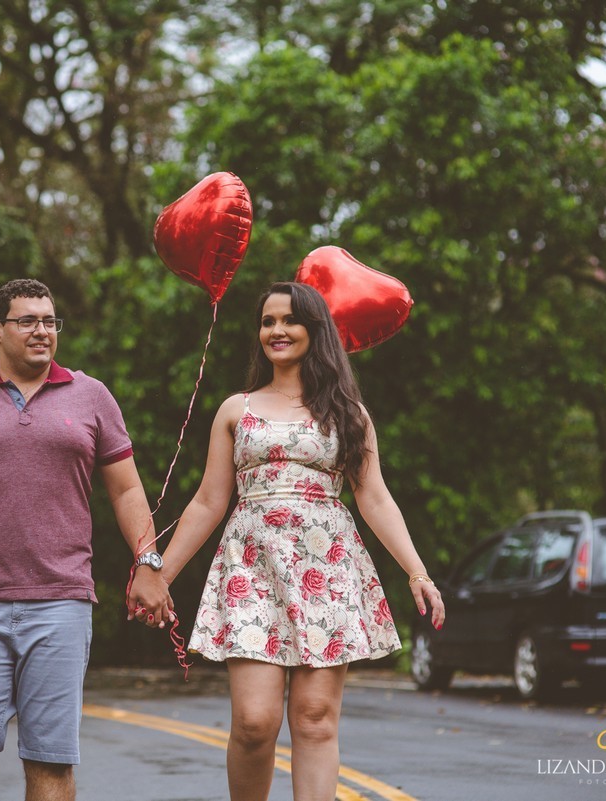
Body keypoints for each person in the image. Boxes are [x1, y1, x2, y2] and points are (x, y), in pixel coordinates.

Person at [128, 280, 444, 801]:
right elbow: (208, 502)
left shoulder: (349, 413)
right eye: (267, 321)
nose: (276, 330)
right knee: (254, 723)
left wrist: (418, 573)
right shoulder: (237, 409)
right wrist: (160, 574)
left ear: (315, 330)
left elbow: (375, 499)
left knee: (315, 721)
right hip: (252, 568)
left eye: (289, 320)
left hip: (329, 566)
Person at [0, 278, 168, 801]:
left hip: (62, 601)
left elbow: (128, 489)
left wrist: (149, 561)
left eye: (50, 321)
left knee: (50, 758)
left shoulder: (91, 396)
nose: (42, 331)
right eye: (28, 321)